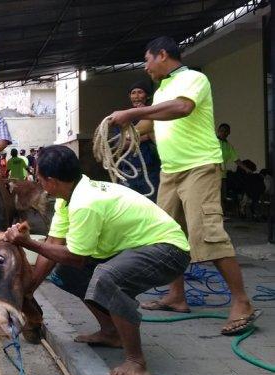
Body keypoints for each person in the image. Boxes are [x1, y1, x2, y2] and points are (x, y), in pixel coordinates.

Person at [108, 36, 260, 335]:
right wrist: (121, 137)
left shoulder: (194, 79)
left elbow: (181, 108)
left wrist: (134, 112)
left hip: (199, 168)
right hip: (171, 171)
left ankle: (242, 302)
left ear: (162, 54)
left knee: (208, 234)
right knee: (166, 235)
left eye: (147, 59)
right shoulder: (164, 87)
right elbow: (151, 124)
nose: (146, 66)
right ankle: (176, 296)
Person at [5, 145, 191, 375]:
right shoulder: (67, 199)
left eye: (39, 179)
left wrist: (28, 243)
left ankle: (136, 362)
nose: (39, 184)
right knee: (66, 274)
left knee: (107, 278)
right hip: (135, 247)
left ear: (51, 181)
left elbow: (76, 256)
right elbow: (54, 245)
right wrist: (28, 290)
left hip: (169, 249)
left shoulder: (86, 203)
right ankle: (111, 332)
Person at [117, 80, 161, 202]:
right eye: (133, 93)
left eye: (140, 92)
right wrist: (145, 136)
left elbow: (159, 138)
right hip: (128, 171)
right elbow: (120, 144)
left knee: (152, 205)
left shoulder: (157, 115)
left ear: (147, 96)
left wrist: (136, 136)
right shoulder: (124, 117)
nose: (136, 96)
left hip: (151, 170)